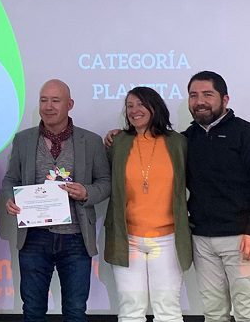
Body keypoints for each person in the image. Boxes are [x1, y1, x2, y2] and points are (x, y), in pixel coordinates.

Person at [0, 79, 111, 322]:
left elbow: (105, 182)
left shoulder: (91, 141)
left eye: (55, 100)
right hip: (34, 237)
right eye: (43, 100)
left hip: (76, 238)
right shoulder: (24, 140)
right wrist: (9, 198)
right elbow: (10, 179)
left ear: (70, 104)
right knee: (33, 310)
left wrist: (87, 192)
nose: (48, 106)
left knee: (75, 311)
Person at [185, 71, 250, 322]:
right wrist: (120, 134)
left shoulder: (246, 134)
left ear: (225, 99)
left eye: (207, 94)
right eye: (193, 95)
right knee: (214, 313)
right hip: (202, 240)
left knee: (247, 312)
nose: (199, 101)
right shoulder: (187, 139)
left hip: (242, 239)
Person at [103, 86, 191, 322]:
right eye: (129, 106)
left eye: (141, 104)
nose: (134, 110)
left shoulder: (178, 142)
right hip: (127, 239)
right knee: (131, 310)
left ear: (155, 107)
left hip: (168, 239)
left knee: (168, 310)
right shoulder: (118, 142)